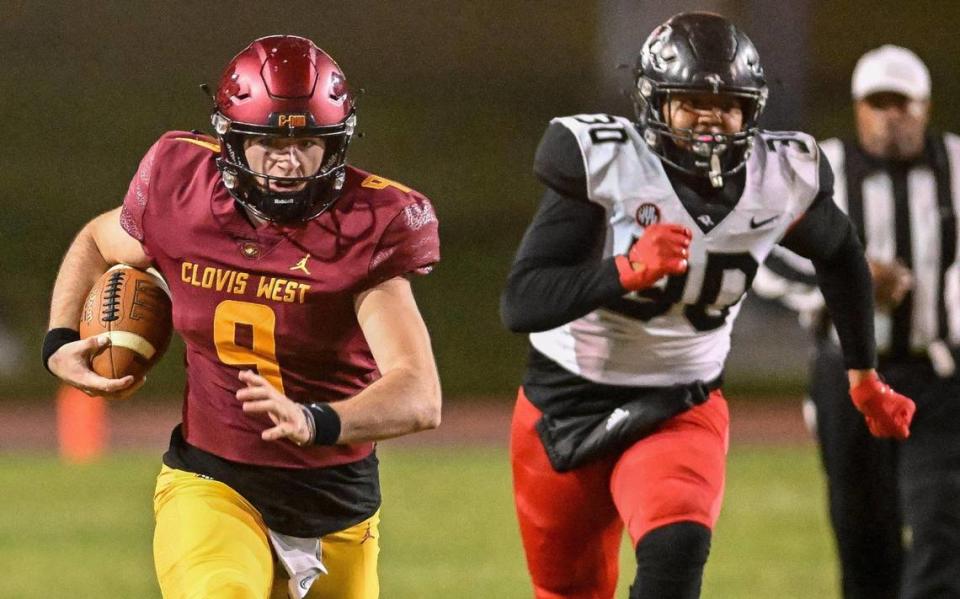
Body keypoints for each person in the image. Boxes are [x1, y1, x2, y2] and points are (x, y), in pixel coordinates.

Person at [500, 13, 916, 599]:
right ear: (656, 104)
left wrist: (863, 373)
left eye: (727, 105)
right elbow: (522, 301)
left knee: (677, 546)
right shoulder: (606, 162)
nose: (711, 119)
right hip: (567, 397)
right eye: (691, 101)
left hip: (681, 400)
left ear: (752, 110)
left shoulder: (779, 174)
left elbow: (841, 253)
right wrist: (623, 270)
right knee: (569, 589)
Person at [42, 35, 441, 599]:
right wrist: (60, 340)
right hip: (214, 482)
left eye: (309, 142)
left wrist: (314, 420)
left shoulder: (372, 222)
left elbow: (419, 394)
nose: (290, 161)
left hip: (338, 506)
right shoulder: (181, 184)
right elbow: (96, 242)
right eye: (268, 142)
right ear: (230, 139)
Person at [754, 45, 960, 599]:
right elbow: (761, 250)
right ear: (858, 108)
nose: (891, 114)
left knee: (942, 521)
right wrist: (851, 281)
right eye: (878, 101)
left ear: (925, 107)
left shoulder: (957, 164)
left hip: (939, 375)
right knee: (863, 536)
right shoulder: (818, 167)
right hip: (848, 379)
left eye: (903, 102)